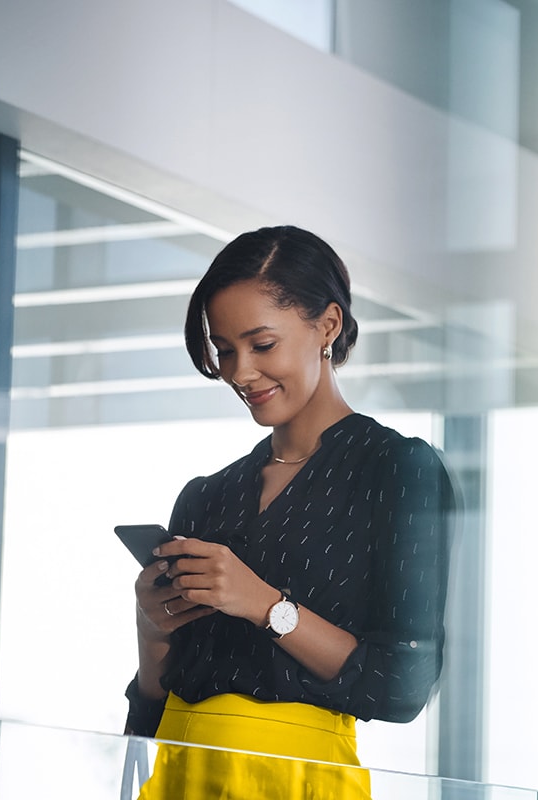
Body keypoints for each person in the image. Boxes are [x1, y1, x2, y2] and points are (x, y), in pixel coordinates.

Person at [124, 225, 455, 799]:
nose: (238, 372)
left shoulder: (397, 469)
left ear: (327, 325)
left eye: (262, 345)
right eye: (224, 350)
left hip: (293, 779)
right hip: (180, 770)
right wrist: (152, 626)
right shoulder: (206, 495)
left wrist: (265, 605)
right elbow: (151, 707)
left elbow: (402, 688)